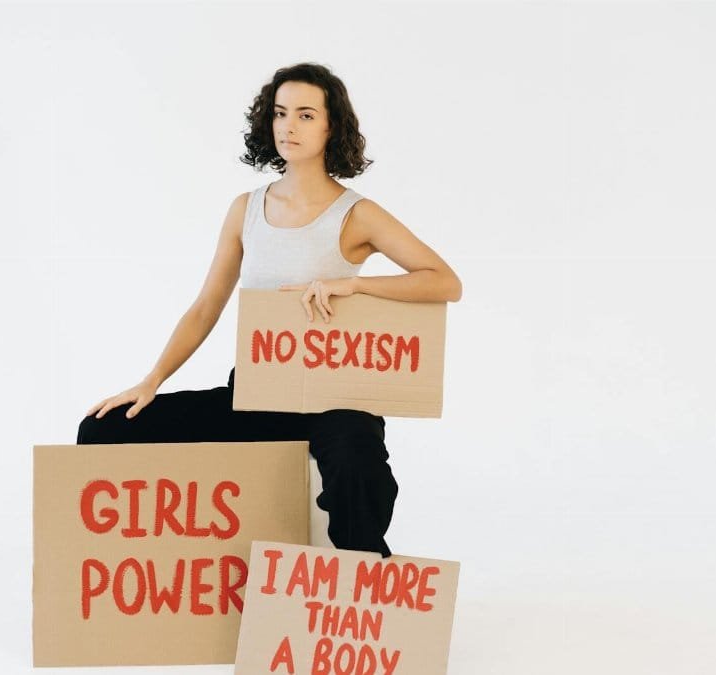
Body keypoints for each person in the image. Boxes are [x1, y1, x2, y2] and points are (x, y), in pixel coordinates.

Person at [76, 62, 463, 559]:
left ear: (331, 126)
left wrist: (354, 287)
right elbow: (205, 308)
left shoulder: (357, 213)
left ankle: (363, 579)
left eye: (305, 115)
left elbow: (443, 282)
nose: (289, 126)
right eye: (281, 114)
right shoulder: (246, 208)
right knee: (103, 429)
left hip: (336, 398)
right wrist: (152, 381)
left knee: (357, 461)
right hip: (260, 390)